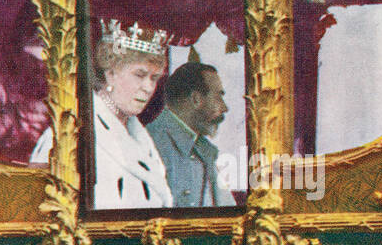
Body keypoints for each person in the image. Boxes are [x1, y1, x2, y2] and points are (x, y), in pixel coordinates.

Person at [30, 19, 172, 210]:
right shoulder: (69, 134)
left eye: (154, 78)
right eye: (139, 75)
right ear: (110, 72)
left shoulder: (141, 138)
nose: (148, 88)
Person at [146, 61, 233, 208]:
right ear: (196, 99)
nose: (224, 108)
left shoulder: (204, 150)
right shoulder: (150, 144)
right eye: (218, 97)